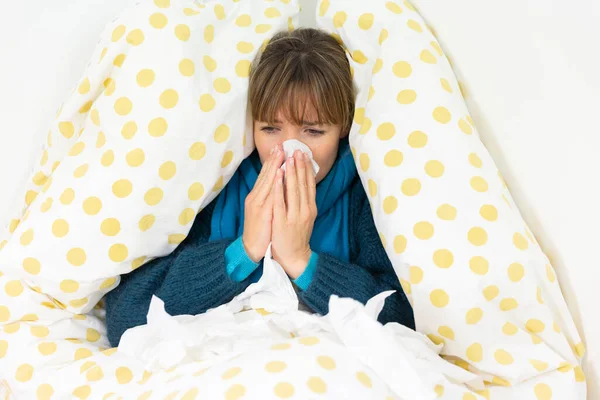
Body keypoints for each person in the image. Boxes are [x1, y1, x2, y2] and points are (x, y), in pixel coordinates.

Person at [105, 28, 414, 347]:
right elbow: (126, 322)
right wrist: (243, 251)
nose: (291, 150)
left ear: (343, 127)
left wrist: (302, 262)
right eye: (270, 128)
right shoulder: (221, 185)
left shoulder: (361, 197)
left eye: (313, 131)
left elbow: (402, 320)